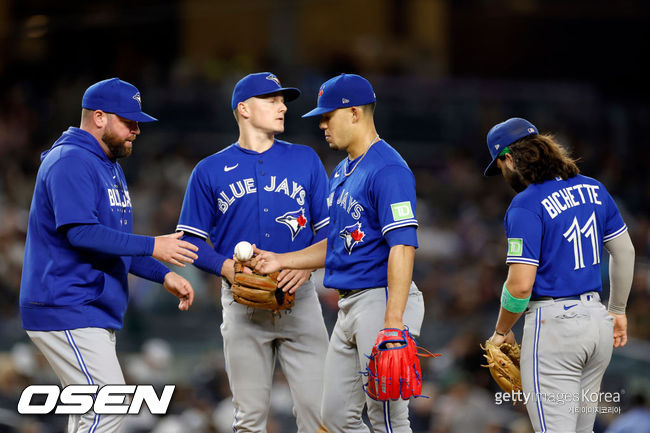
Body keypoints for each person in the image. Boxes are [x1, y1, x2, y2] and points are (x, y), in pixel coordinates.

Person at [19, 78, 199, 433]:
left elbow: (115, 242)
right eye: (128, 122)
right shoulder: (71, 159)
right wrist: (153, 245)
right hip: (67, 303)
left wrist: (163, 274)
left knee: (89, 412)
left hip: (87, 306)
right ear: (99, 117)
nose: (136, 130)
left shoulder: (108, 166)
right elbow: (81, 233)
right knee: (107, 408)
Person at [254, 73, 425, 433]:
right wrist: (282, 260)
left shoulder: (388, 169)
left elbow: (404, 246)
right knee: (334, 419)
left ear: (354, 113)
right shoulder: (344, 170)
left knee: (388, 419)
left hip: (382, 300)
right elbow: (337, 241)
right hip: (350, 304)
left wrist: (393, 321)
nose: (322, 124)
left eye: (328, 115)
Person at [175, 72, 330, 432]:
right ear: (243, 108)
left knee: (322, 414)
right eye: (271, 100)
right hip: (242, 304)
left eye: (283, 101)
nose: (281, 107)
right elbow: (191, 242)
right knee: (249, 420)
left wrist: (305, 268)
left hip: (301, 299)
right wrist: (226, 267)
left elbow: (331, 234)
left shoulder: (305, 160)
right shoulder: (208, 170)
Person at [483, 118, 634, 433]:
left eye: (501, 166)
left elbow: (521, 285)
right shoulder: (595, 188)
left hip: (556, 327)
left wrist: (501, 331)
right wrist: (617, 310)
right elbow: (625, 252)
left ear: (509, 158)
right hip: (597, 322)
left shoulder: (525, 204)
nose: (504, 175)